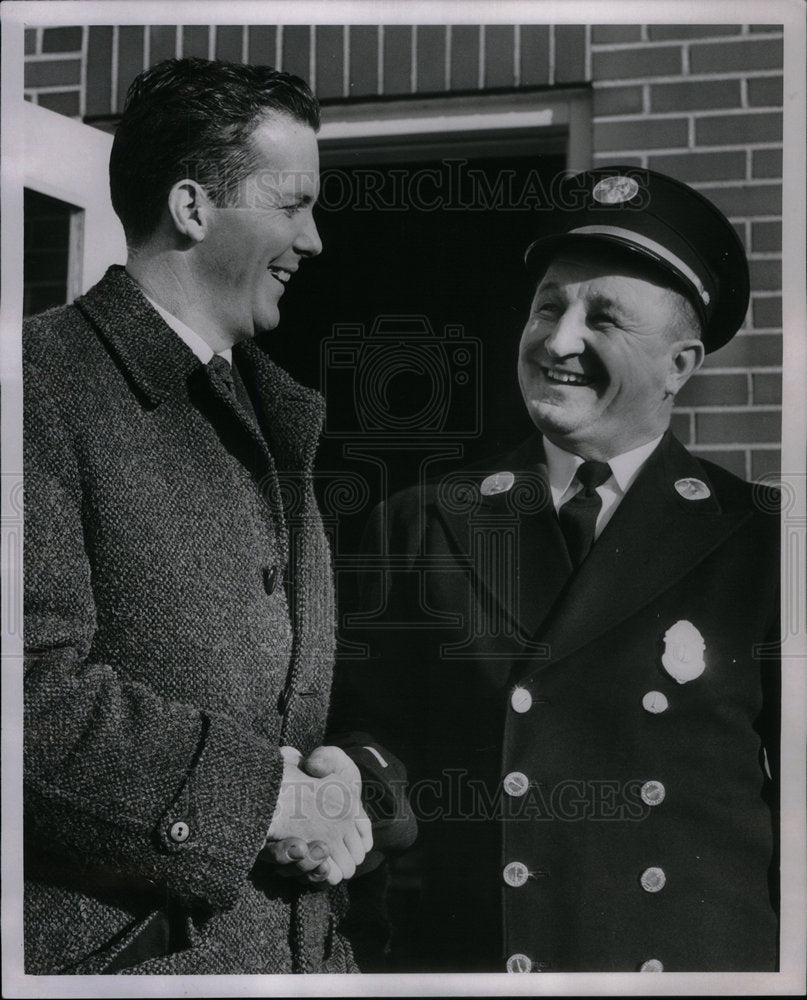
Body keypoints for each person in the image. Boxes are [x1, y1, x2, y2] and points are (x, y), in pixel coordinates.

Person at [332, 166, 780, 973]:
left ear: (678, 365)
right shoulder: (420, 521)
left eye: (602, 318)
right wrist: (356, 788)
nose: (557, 340)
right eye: (547, 306)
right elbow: (374, 739)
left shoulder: (762, 542)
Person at [23, 57, 412, 976]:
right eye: (291, 205)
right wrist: (267, 804)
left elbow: (299, 701)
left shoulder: (274, 416)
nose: (312, 240)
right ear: (194, 208)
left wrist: (345, 779)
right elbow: (22, 695)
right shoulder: (36, 388)